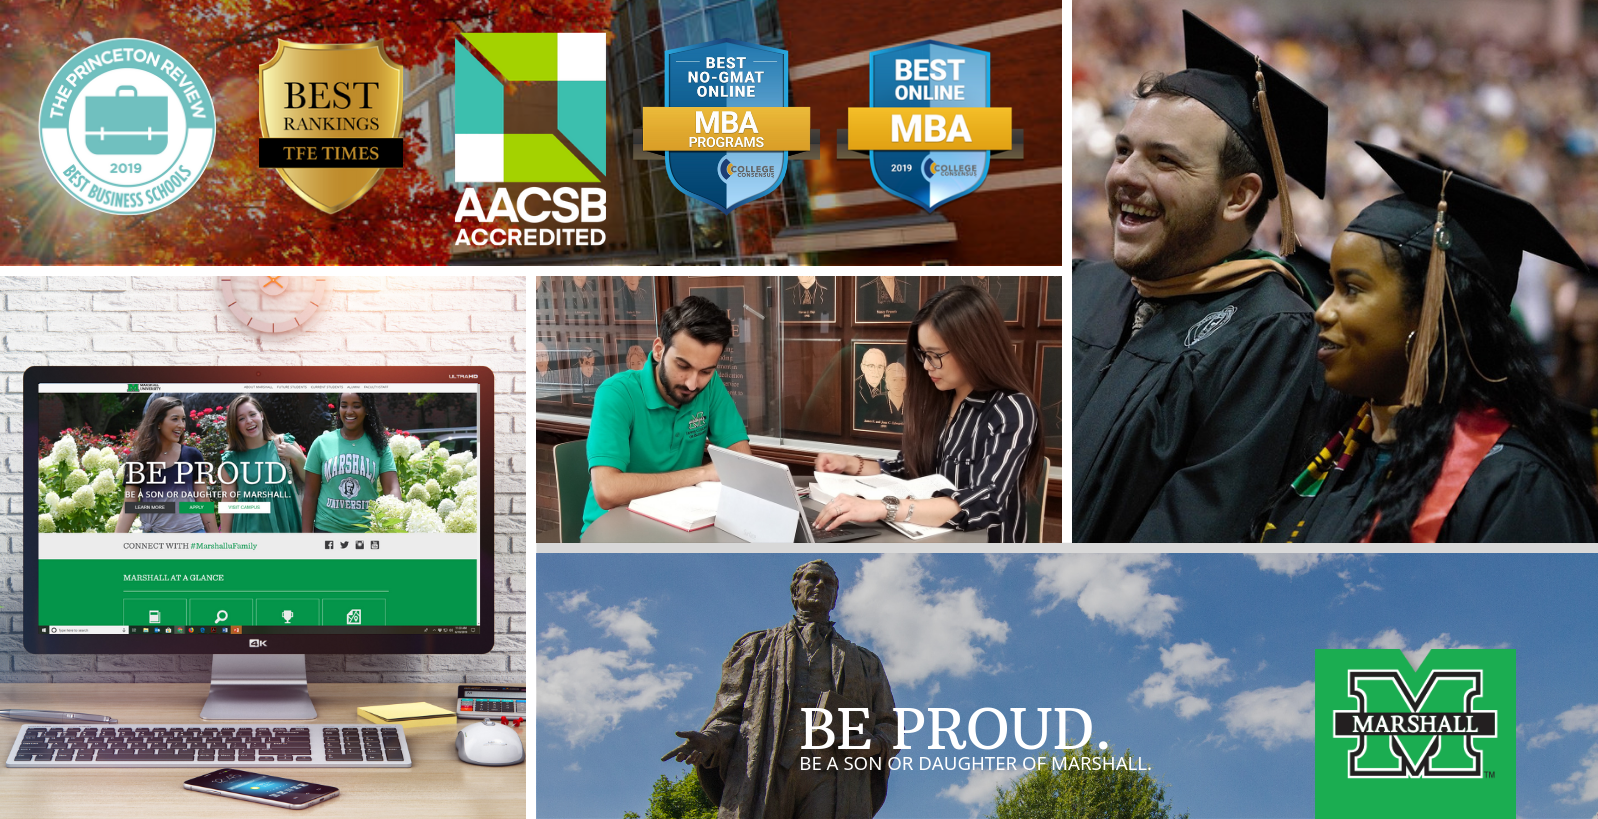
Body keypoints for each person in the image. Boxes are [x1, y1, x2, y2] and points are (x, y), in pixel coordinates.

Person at [1253, 143, 1598, 542]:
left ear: (1431, 314)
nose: (1323, 312)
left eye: (1352, 289)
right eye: (1332, 287)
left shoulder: (1513, 486)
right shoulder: (1337, 448)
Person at [1073, 11, 1330, 542]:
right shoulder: (1080, 286)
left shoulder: (1272, 336)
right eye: (1124, 151)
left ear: (1239, 196)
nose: (1124, 176)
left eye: (1164, 161)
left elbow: (1196, 531)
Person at [662, 560, 895, 819]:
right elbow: (729, 714)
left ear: (835, 598)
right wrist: (711, 739)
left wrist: (875, 745)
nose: (820, 585)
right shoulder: (755, 646)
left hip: (834, 775)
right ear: (795, 591)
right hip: (764, 767)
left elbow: (889, 725)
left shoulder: (865, 661)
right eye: (812, 579)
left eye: (829, 583)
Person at [812, 285, 1043, 542]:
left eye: (935, 355)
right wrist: (849, 463)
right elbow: (908, 468)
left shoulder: (1011, 410)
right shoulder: (938, 399)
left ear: (975, 347)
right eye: (923, 354)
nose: (926, 365)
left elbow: (983, 501)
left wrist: (883, 507)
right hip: (926, 538)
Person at [582, 295, 753, 538]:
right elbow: (607, 491)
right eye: (683, 366)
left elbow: (742, 462)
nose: (693, 384)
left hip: (680, 525)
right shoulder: (616, 394)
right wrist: (701, 474)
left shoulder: (711, 385)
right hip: (613, 531)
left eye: (705, 371)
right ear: (659, 350)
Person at [115, 396, 219, 534]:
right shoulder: (137, 460)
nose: (181, 425)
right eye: (175, 419)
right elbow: (130, 505)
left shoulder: (193, 456)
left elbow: (202, 501)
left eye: (183, 419)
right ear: (158, 422)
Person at [300, 392, 400, 534]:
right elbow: (311, 494)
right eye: (344, 406)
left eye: (356, 406)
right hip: (327, 530)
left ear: (367, 409)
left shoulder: (379, 446)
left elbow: (392, 489)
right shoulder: (321, 443)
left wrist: (395, 521)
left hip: (368, 530)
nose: (349, 411)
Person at [219, 394, 305, 534]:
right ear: (236, 425)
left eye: (252, 414)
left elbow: (311, 480)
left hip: (287, 524)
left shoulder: (283, 443)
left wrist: (298, 456)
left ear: (262, 416)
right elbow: (228, 504)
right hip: (250, 529)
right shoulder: (231, 461)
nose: (249, 421)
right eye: (241, 418)